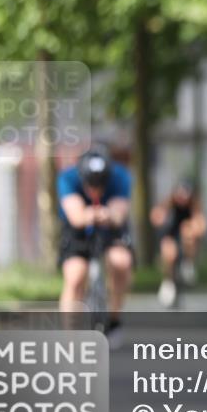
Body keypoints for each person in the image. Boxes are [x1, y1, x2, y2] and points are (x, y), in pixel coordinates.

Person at [57, 144, 134, 345]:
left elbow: (118, 214)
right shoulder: (68, 178)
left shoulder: (121, 176)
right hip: (79, 229)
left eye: (100, 184)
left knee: (121, 262)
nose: (95, 190)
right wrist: (92, 214)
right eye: (91, 185)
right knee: (75, 275)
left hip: (110, 227)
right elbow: (76, 217)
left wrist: (108, 215)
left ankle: (114, 319)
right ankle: (69, 339)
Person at [151, 177, 207, 307]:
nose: (183, 198)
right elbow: (155, 216)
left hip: (185, 239)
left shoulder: (193, 207)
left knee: (187, 230)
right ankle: (168, 282)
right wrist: (160, 218)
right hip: (169, 235)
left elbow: (201, 225)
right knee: (169, 252)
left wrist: (193, 226)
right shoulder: (168, 204)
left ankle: (188, 263)